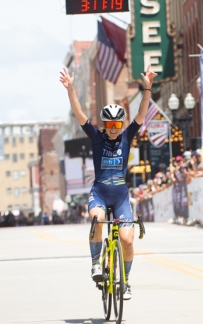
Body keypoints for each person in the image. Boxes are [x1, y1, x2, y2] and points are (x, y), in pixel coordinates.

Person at [60, 64, 156, 301]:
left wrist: (147, 89)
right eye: (109, 126)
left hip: (121, 195)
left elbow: (141, 115)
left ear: (121, 125)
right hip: (100, 193)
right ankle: (95, 264)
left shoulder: (126, 136)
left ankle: (126, 281)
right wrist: (70, 89)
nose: (113, 130)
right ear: (104, 125)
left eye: (117, 125)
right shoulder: (96, 137)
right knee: (98, 219)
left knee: (127, 240)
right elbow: (79, 113)